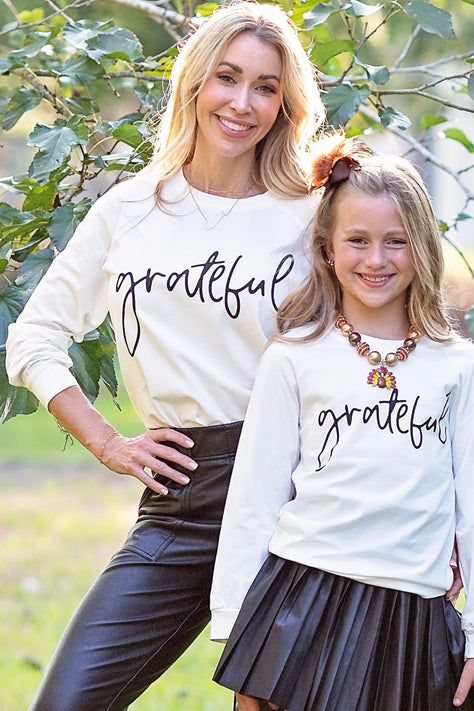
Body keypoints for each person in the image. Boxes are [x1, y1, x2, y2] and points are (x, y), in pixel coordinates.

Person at [5, 2, 326, 709]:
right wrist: (108, 443)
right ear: (193, 83)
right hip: (183, 500)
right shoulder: (132, 210)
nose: (242, 103)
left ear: (285, 103)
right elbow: (33, 336)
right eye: (227, 77)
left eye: (266, 87)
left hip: (301, 494)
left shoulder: (310, 213)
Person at [209, 136, 474, 711]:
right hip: (302, 605)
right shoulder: (295, 356)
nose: (376, 259)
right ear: (328, 249)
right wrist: (242, 636)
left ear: (423, 249)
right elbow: (254, 501)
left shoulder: (457, 365)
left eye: (396, 242)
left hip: (416, 609)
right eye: (357, 240)